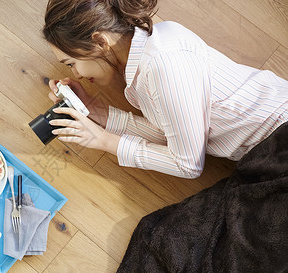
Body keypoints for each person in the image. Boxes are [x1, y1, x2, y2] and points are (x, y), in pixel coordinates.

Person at [43, 0, 288, 179]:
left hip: (280, 139)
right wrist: (96, 111)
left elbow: (187, 164)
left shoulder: (164, 67)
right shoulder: (150, 58)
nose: (76, 74)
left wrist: (105, 141)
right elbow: (176, 139)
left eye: (72, 63)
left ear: (100, 41)